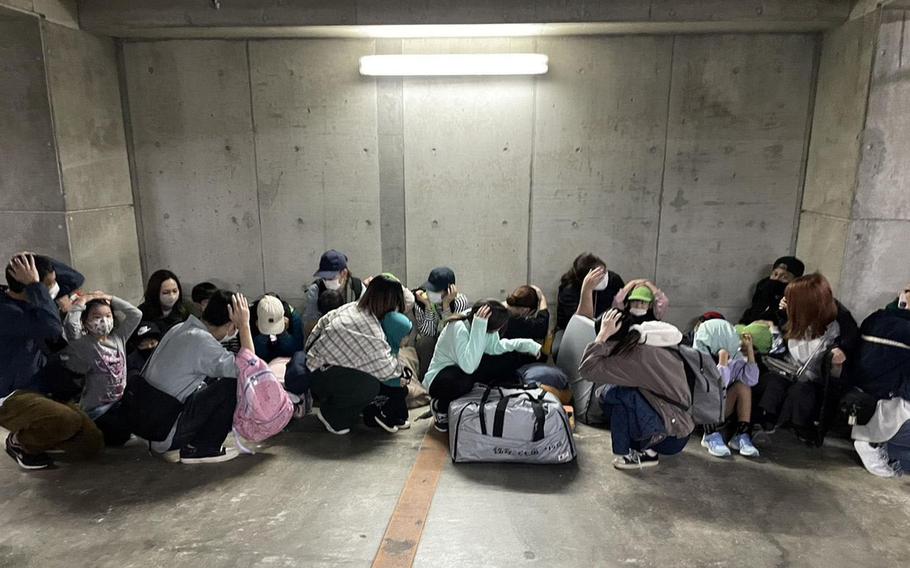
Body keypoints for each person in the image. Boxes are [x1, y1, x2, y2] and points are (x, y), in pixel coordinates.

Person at [0, 253, 103, 470]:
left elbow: (75, 279)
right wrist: (36, 285)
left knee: (90, 444)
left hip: (41, 386)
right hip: (10, 395)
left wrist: (34, 258)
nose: (54, 288)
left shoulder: (34, 300)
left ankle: (42, 432)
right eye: (49, 284)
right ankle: (21, 444)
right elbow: (51, 329)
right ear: (27, 286)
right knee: (68, 421)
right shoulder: (7, 312)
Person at [139, 291, 252, 464]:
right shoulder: (202, 342)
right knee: (232, 384)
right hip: (166, 434)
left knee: (214, 378)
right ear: (231, 326)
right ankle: (202, 448)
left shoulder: (180, 328)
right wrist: (244, 326)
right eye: (236, 327)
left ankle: (198, 443)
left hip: (149, 428)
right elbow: (250, 369)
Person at [579, 309, 694, 470]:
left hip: (669, 438)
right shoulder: (646, 340)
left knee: (613, 394)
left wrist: (601, 336)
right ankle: (641, 446)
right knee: (615, 392)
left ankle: (648, 453)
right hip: (679, 427)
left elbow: (587, 370)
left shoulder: (632, 356)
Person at [753, 273, 858, 444]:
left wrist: (837, 358)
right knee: (772, 382)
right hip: (787, 370)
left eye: (791, 301)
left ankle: (799, 425)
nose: (786, 303)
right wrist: (780, 312)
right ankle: (764, 420)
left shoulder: (839, 328)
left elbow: (841, 374)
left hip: (815, 381)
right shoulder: (792, 316)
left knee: (801, 391)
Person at [305, 275, 406, 435]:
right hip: (321, 376)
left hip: (314, 366)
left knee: (368, 376)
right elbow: (388, 371)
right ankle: (332, 416)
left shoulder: (352, 307)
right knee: (369, 385)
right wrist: (400, 363)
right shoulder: (371, 329)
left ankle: (342, 404)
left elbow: (317, 330)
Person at [424, 300, 542, 433]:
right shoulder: (459, 327)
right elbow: (469, 366)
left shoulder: (481, 321)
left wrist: (527, 345)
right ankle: (440, 405)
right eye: (497, 328)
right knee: (465, 379)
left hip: (461, 370)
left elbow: (494, 347)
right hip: (440, 379)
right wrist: (479, 327)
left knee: (502, 359)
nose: (499, 331)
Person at [62, 292, 142, 446]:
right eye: (96, 317)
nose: (103, 320)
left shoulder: (119, 338)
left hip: (119, 403)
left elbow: (136, 314)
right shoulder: (85, 344)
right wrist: (83, 300)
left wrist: (111, 298)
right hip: (97, 410)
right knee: (116, 437)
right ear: (85, 322)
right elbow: (71, 325)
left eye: (108, 315)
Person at [850, 283, 910, 477]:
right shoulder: (904, 327)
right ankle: (872, 443)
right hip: (888, 395)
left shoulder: (875, 317)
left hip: (861, 387)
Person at [692, 319, 760, 458]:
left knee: (743, 386)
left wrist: (750, 352)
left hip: (720, 409)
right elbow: (716, 387)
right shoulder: (699, 356)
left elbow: (751, 380)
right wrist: (722, 361)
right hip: (702, 414)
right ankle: (710, 435)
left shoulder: (735, 357)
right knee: (710, 393)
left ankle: (741, 434)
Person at [556, 253, 624, 332]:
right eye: (598, 275)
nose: (604, 277)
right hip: (571, 331)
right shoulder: (569, 291)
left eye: (604, 272)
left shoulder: (613, 279)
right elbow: (582, 325)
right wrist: (587, 290)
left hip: (605, 328)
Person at [302, 250, 364, 333]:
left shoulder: (357, 288)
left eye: (331, 278)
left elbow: (365, 321)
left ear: (344, 273)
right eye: (324, 277)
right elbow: (309, 326)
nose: (327, 281)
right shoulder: (315, 291)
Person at [740, 256, 805, 326]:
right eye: (775, 274)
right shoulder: (762, 290)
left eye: (784, 277)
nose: (776, 279)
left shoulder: (796, 303)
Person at [413, 267, 470, 338]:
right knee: (424, 342)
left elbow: (453, 334)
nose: (430, 293)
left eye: (436, 290)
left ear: (449, 290)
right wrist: (428, 306)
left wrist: (446, 305)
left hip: (450, 342)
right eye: (429, 288)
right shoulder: (420, 300)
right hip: (432, 340)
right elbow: (427, 334)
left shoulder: (459, 302)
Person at [136, 269, 190, 338]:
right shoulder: (141, 314)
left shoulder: (184, 310)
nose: (172, 297)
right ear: (155, 293)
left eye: (175, 291)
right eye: (166, 293)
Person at [251, 294, 304, 362]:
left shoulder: (293, 317)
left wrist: (284, 334)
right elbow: (252, 355)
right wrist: (262, 336)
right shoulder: (249, 316)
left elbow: (297, 351)